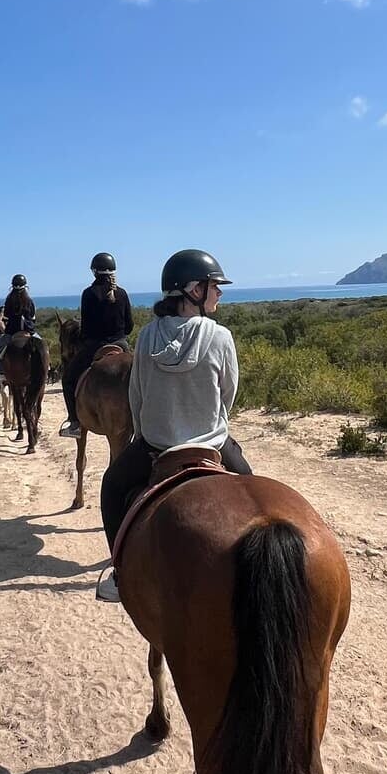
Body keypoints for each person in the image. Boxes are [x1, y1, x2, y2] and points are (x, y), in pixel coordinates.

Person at [95, 248, 250, 603]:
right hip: (211, 445)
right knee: (253, 489)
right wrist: (210, 423)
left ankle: (120, 575)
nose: (220, 293)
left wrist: (151, 428)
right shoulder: (221, 337)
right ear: (194, 290)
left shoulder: (148, 337)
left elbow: (137, 395)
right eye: (215, 286)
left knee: (112, 487)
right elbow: (229, 395)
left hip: (156, 446)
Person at [59, 252, 133, 437]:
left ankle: (75, 423)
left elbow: (86, 329)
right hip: (121, 344)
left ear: (94, 271)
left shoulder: (88, 294)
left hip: (95, 345)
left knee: (68, 379)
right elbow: (130, 326)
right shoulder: (122, 293)